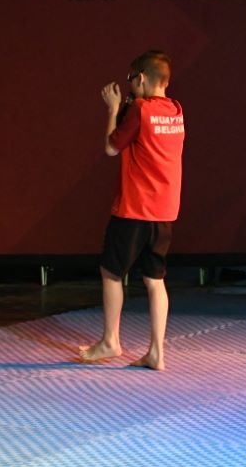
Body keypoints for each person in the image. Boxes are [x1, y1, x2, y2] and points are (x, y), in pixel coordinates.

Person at [79, 50, 185, 371]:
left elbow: (111, 147)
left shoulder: (139, 109)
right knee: (155, 280)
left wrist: (113, 109)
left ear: (140, 78)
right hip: (165, 211)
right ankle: (157, 353)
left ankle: (110, 341)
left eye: (131, 79)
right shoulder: (177, 110)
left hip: (135, 209)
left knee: (111, 273)